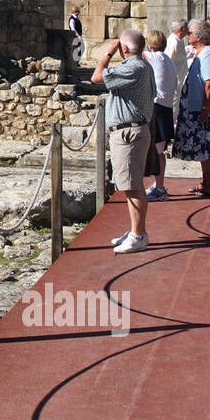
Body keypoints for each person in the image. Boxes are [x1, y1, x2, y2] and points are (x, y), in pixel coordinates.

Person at [92, 29, 156, 254]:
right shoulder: (144, 65)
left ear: (125, 48)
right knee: (131, 185)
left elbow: (97, 77)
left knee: (132, 187)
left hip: (129, 134)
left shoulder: (133, 67)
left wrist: (107, 54)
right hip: (132, 130)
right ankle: (135, 230)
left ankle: (139, 235)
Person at [171, 20, 210, 196]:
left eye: (190, 33)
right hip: (197, 108)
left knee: (208, 147)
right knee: (204, 147)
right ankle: (206, 181)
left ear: (199, 36)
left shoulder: (208, 53)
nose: (187, 35)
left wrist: (205, 108)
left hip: (206, 110)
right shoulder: (200, 53)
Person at [143, 31, 177, 201]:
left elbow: (131, 52)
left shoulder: (151, 57)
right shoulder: (168, 60)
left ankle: (160, 187)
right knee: (160, 149)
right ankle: (159, 184)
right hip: (166, 107)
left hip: (156, 107)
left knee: (154, 150)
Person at [165, 20, 189, 85]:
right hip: (175, 80)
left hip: (181, 78)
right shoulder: (173, 42)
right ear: (181, 29)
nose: (188, 30)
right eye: (187, 28)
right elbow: (168, 61)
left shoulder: (179, 40)